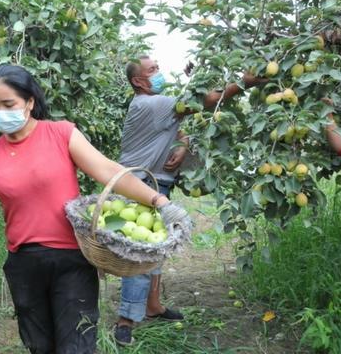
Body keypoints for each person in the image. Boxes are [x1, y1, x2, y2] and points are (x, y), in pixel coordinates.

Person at [0, 64, 193, 354]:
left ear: (30, 102)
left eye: (8, 104)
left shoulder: (61, 134)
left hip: (71, 261)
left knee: (77, 345)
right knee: (39, 346)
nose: (0, 112)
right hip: (24, 265)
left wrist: (159, 202)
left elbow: (108, 171)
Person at [113, 55, 267, 346]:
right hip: (138, 185)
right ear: (138, 81)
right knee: (139, 252)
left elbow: (178, 126)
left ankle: (153, 306)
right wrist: (243, 83)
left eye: (158, 67)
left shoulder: (158, 106)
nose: (158, 73)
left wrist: (182, 145)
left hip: (157, 183)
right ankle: (126, 319)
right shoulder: (150, 104)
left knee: (157, 248)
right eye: (152, 70)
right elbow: (205, 101)